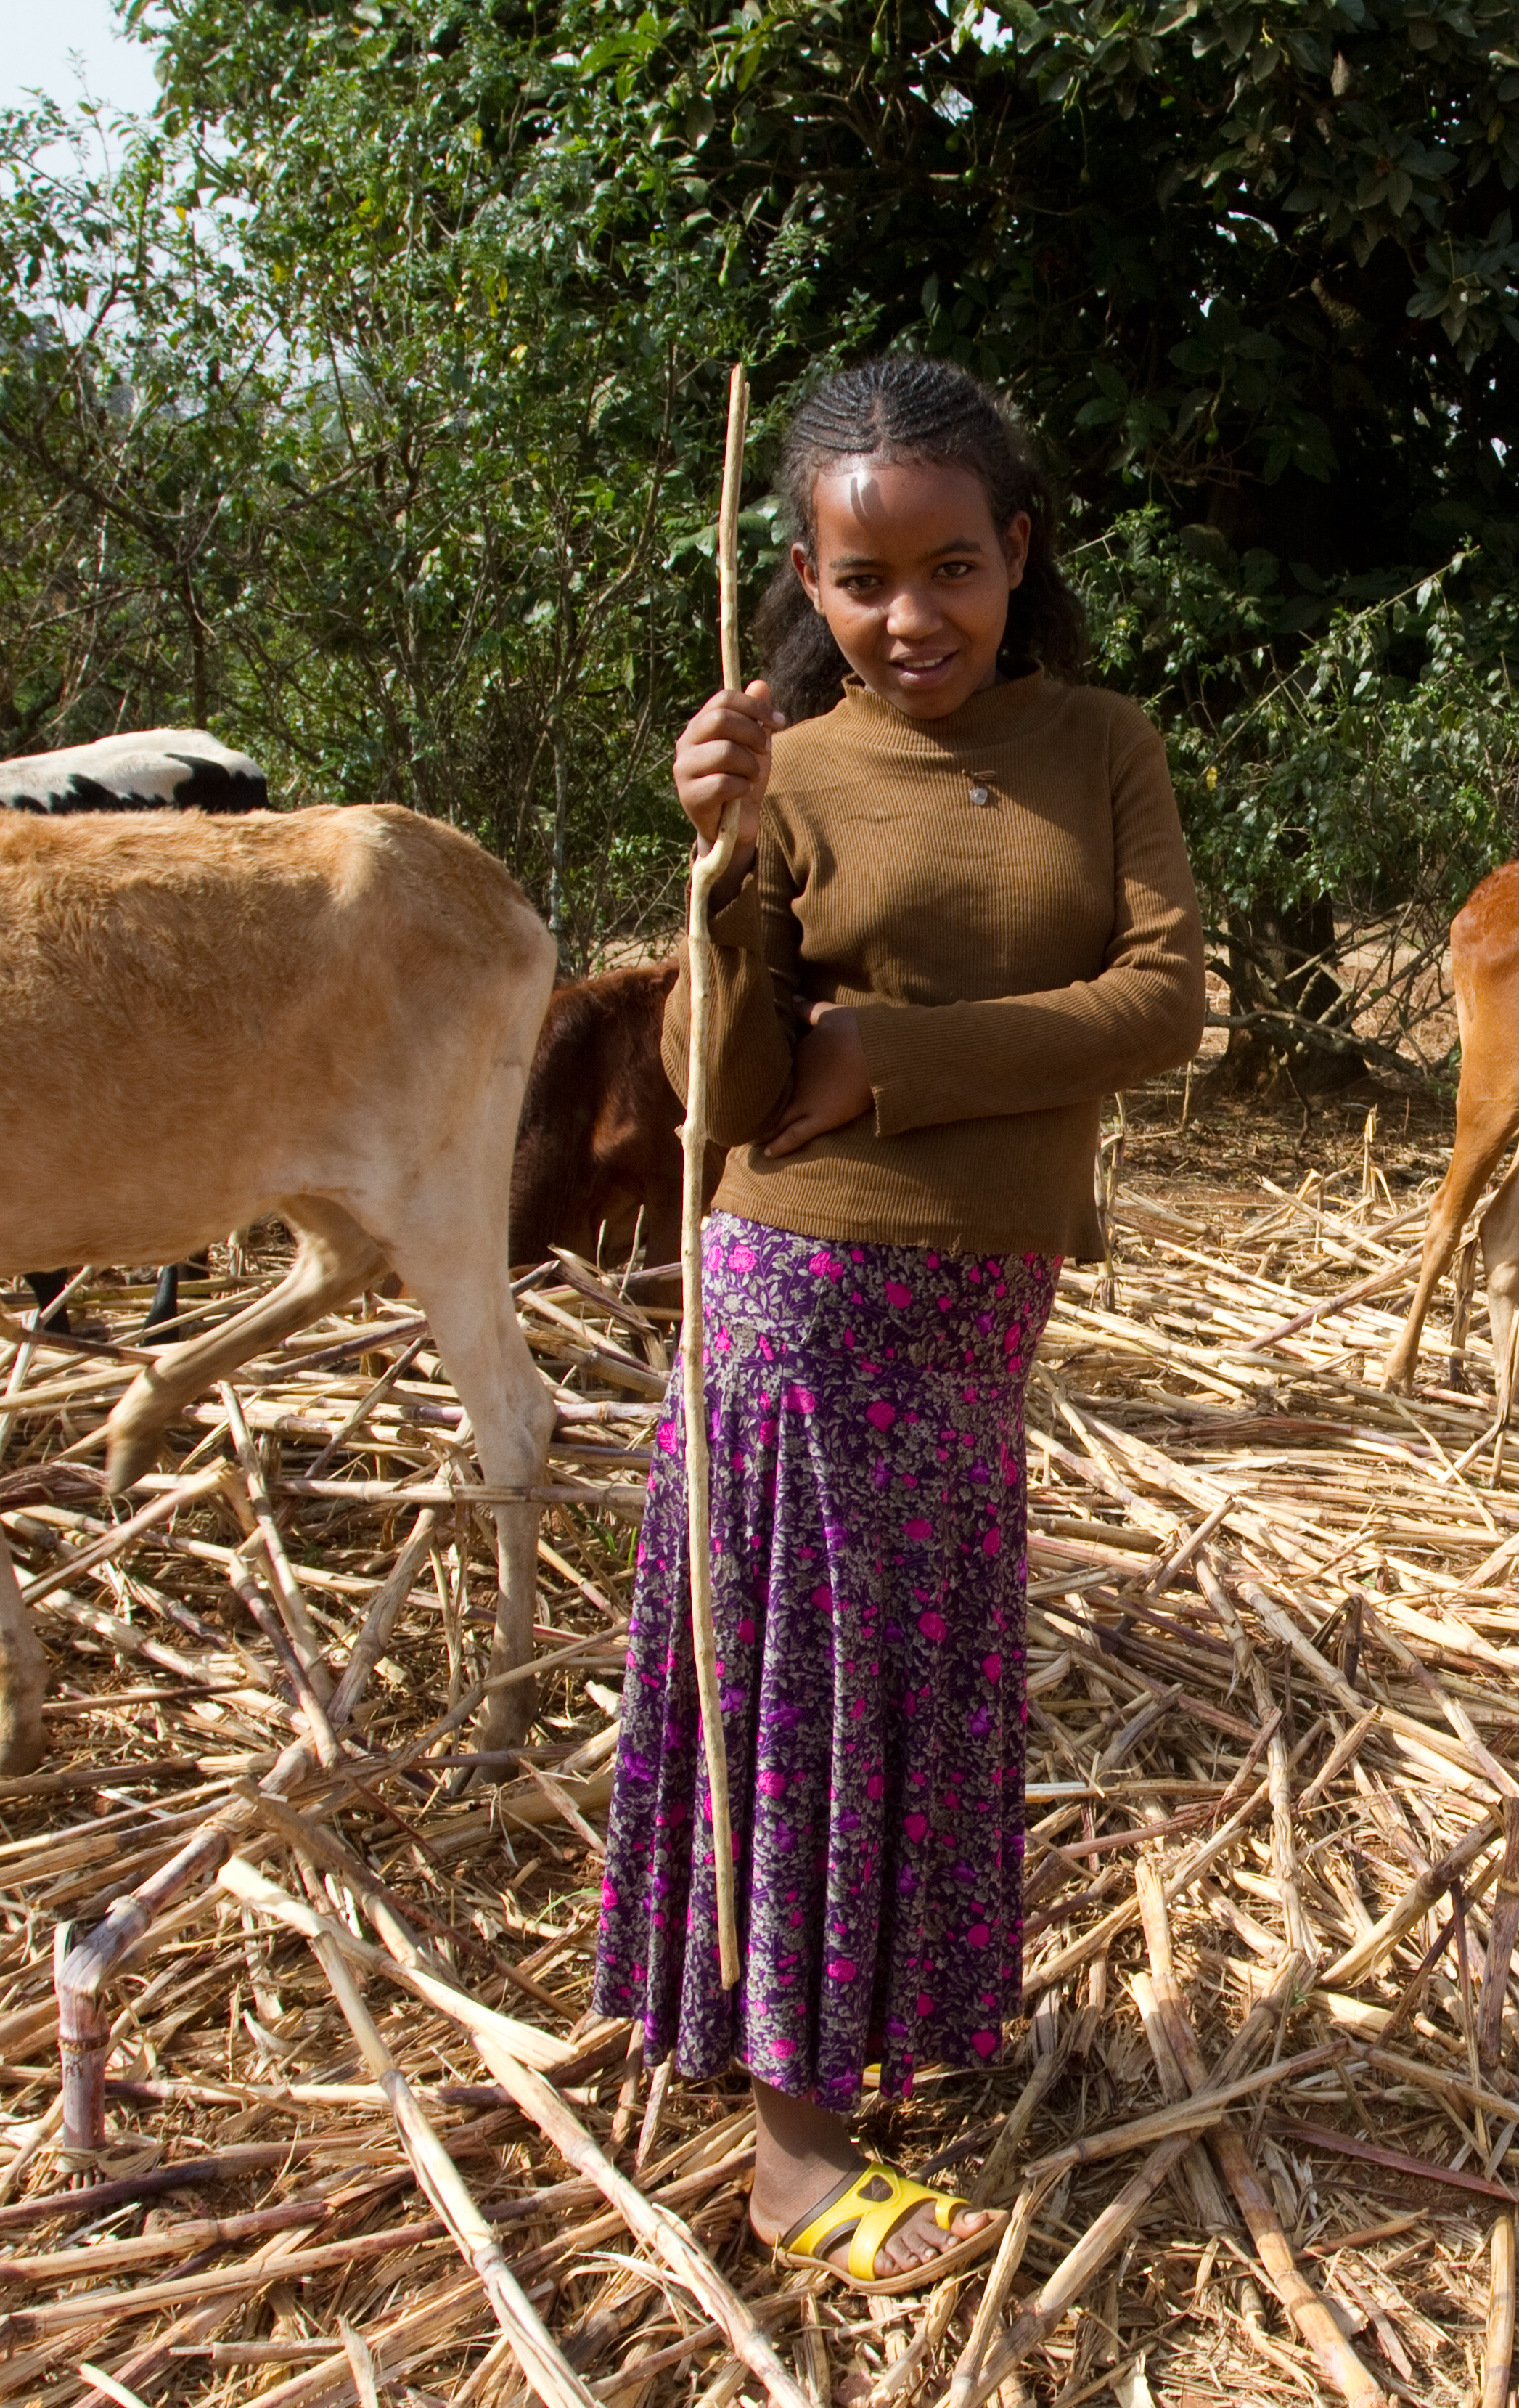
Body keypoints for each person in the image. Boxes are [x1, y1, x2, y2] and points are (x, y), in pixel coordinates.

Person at [591, 356, 1205, 2290]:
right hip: (803, 1302)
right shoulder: (781, 768)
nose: (911, 618)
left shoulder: (1100, 746)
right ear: (804, 574)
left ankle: (836, 2052)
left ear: (1019, 553)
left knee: (908, 1695)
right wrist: (717, 871)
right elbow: (730, 1082)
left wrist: (902, 1057)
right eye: (865, 583)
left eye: (952, 568)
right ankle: (791, 2155)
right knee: (801, 1701)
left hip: (971, 1326)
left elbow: (1162, 1000)